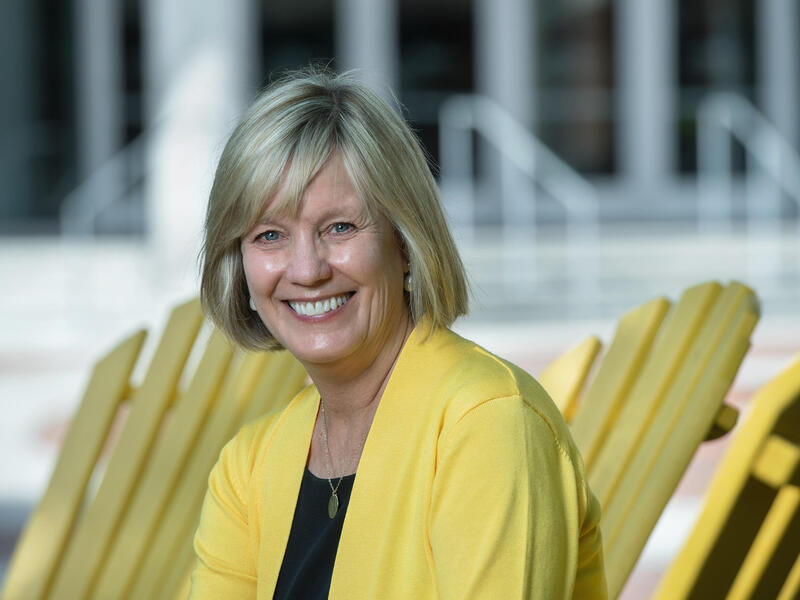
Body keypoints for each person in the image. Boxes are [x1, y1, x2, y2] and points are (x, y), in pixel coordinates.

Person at [191, 67, 607, 599]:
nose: (307, 269)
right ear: (240, 264)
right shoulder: (248, 466)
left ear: (405, 242)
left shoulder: (485, 426)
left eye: (339, 227)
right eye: (270, 235)